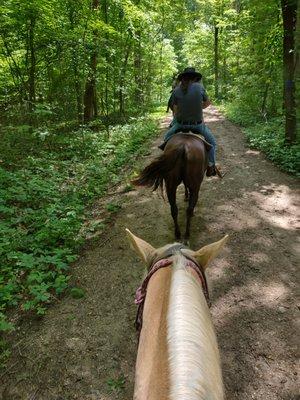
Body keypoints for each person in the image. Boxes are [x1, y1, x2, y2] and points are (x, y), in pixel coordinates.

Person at [159, 67, 217, 177]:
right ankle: (211, 166)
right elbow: (207, 103)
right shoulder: (200, 88)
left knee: (166, 140)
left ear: (183, 78)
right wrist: (198, 107)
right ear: (194, 78)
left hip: (180, 124)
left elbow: (175, 111)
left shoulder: (176, 90)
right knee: (213, 143)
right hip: (198, 125)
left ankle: (165, 162)